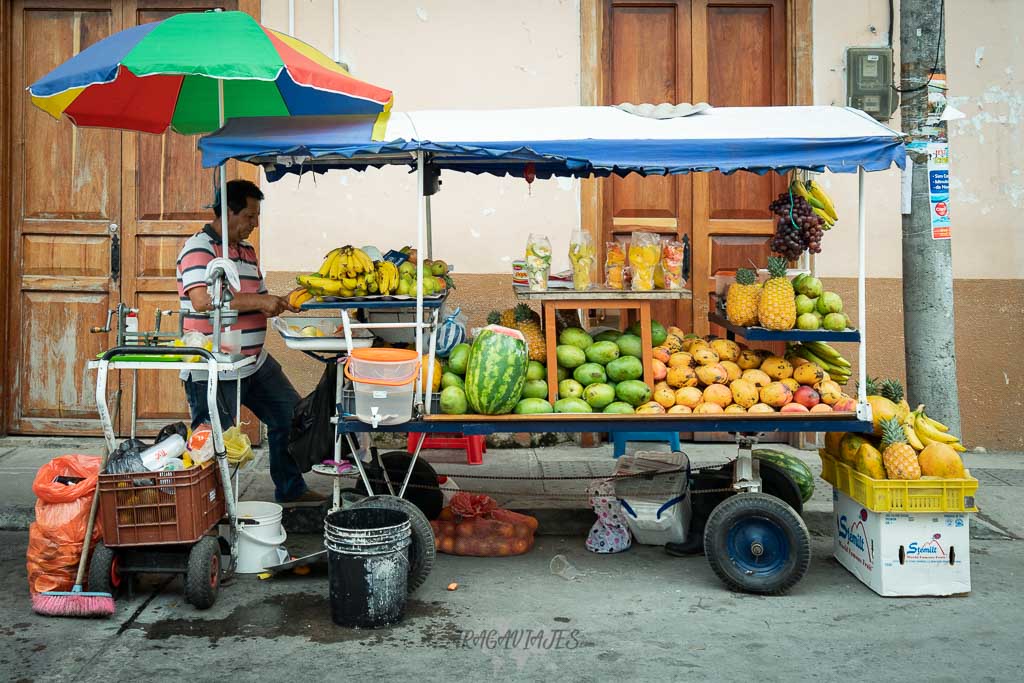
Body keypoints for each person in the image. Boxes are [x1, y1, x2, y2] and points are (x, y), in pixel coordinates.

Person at [175, 179, 325, 505]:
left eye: (256, 218)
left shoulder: (245, 251)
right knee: (215, 439)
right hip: (214, 366)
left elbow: (253, 298)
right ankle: (207, 508)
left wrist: (279, 302)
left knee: (291, 415)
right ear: (228, 213)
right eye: (249, 216)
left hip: (252, 363)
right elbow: (202, 300)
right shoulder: (199, 248)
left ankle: (291, 491)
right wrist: (259, 303)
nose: (254, 225)